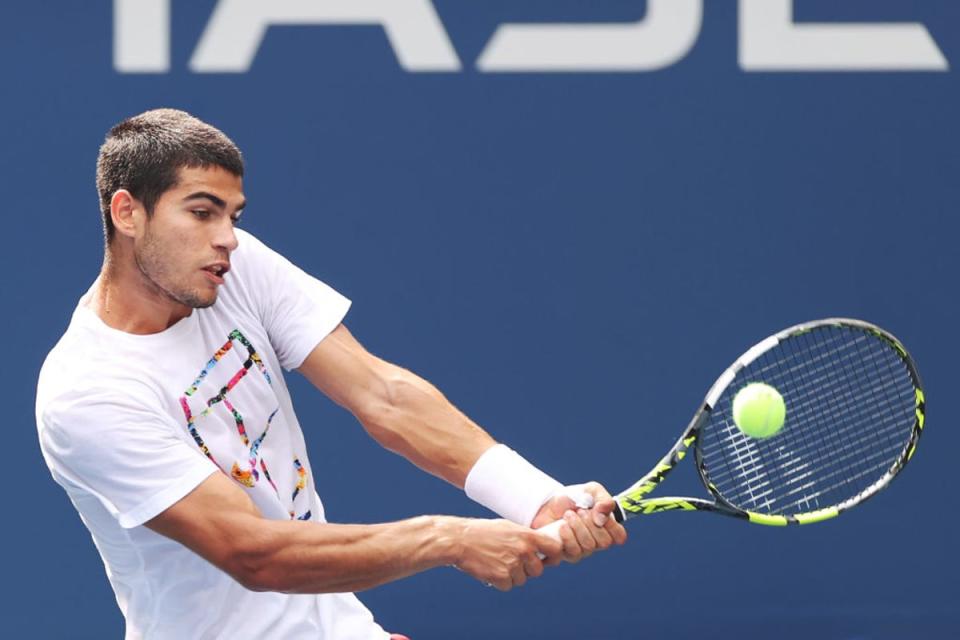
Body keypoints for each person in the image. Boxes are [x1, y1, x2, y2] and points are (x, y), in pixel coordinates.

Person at [35, 109, 626, 640]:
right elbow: (254, 553)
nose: (227, 237)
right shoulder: (87, 393)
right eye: (201, 211)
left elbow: (383, 395)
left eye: (233, 215)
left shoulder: (230, 268)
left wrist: (536, 498)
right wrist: (450, 539)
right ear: (127, 212)